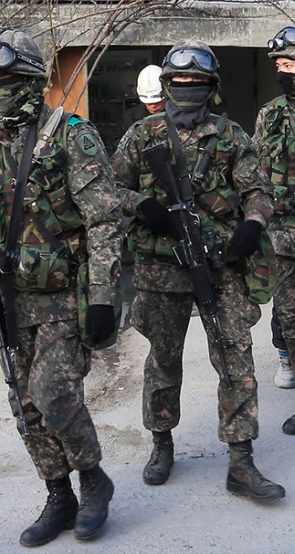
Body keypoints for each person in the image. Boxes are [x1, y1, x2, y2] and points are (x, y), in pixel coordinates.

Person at [0, 28, 122, 547]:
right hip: (8, 297)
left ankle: (94, 482)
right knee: (23, 404)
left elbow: (106, 221)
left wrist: (105, 297)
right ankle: (58, 493)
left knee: (54, 394)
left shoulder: (72, 136)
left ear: (31, 78)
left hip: (63, 297)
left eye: (7, 78)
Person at [113, 40, 286, 499]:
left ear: (211, 87)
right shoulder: (143, 135)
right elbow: (106, 192)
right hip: (161, 270)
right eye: (180, 83)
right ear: (168, 86)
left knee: (236, 360)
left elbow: (258, 190)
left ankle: (241, 459)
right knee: (163, 364)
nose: (188, 90)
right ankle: (162, 443)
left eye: (197, 83)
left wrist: (252, 225)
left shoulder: (230, 136)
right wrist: (144, 205)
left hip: (220, 268)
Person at [254, 26, 295, 431]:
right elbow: (255, 172)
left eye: (290, 63)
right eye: (281, 65)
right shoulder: (270, 113)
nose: (284, 72)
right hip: (280, 237)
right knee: (288, 315)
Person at [112, 64, 167, 148]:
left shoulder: (178, 116)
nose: (153, 106)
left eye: (157, 102)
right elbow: (118, 145)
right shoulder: (129, 117)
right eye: (149, 103)